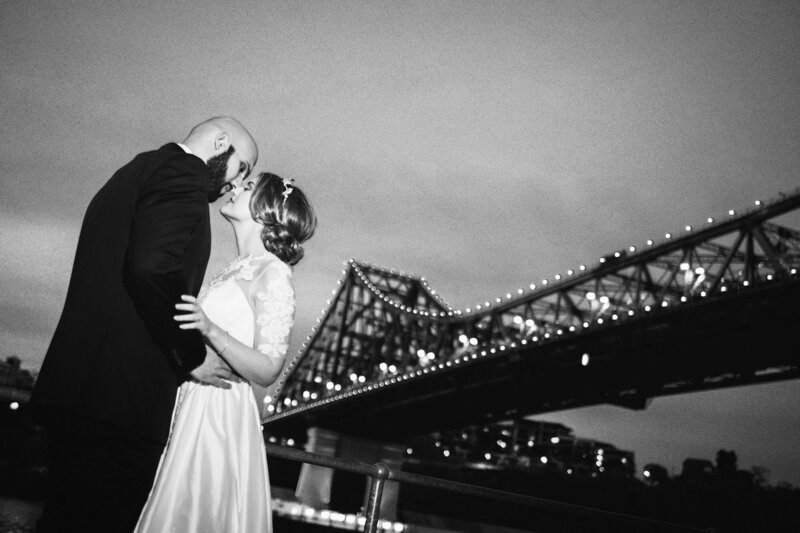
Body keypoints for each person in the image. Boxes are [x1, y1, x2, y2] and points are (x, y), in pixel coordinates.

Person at [31, 117, 258, 533]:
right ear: (221, 142)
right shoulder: (182, 172)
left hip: (82, 391)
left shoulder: (137, 169)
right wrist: (190, 356)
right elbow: (152, 267)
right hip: (121, 399)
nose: (234, 184)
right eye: (241, 168)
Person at [134, 172, 316, 532]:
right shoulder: (233, 268)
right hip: (191, 399)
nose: (234, 187)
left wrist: (209, 328)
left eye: (247, 187)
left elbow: (267, 370)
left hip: (218, 410)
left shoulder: (273, 273)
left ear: (266, 210)